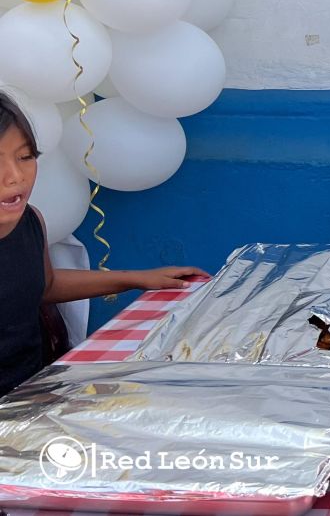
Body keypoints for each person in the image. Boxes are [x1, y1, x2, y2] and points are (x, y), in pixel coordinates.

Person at [0, 94, 207, 397]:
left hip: (33, 392)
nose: (15, 177)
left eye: (25, 156)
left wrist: (134, 279)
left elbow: (46, 285)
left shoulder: (31, 221)